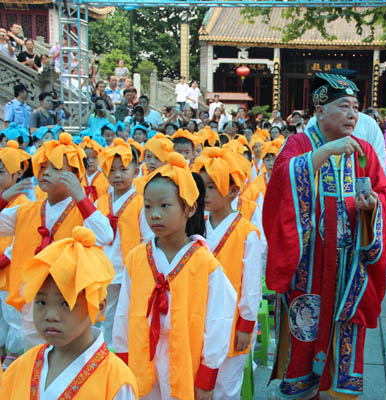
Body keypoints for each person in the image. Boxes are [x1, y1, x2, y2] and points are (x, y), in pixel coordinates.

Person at [263, 72, 386, 398]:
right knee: (304, 333)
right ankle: (301, 388)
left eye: (356, 108)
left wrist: (372, 208)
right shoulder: (299, 144)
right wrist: (326, 152)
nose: (352, 114)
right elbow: (280, 186)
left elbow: (385, 197)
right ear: (319, 110)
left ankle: (337, 389)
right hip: (308, 267)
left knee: (345, 334)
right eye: (344, 106)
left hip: (350, 269)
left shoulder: (364, 152)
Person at [112, 152, 237, 399]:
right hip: (142, 353)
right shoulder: (138, 258)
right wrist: (123, 359)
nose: (154, 214)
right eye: (148, 206)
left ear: (189, 209)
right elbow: (124, 311)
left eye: (164, 206)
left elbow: (218, 320)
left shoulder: (203, 261)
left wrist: (207, 374)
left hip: (186, 357)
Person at [0, 133, 114, 346]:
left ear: (75, 175)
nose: (46, 173)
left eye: (55, 168)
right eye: (42, 167)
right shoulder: (26, 211)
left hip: (68, 295)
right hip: (33, 293)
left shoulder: (83, 211)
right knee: (34, 347)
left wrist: (81, 197)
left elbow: (106, 235)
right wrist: (5, 197)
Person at [0, 226, 138, 399]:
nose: (50, 315)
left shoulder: (116, 380)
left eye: (66, 303)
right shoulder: (19, 368)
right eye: (41, 302)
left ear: (99, 305)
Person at [196, 147, 262, 400]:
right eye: (203, 187)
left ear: (233, 191)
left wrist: (246, 325)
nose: (205, 194)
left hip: (231, 319)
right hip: (200, 315)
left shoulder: (247, 232)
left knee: (226, 386)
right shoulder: (195, 223)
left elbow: (252, 286)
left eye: (213, 187)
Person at [96, 139, 152, 348]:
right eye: (111, 170)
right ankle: (104, 350)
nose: (117, 175)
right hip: (103, 267)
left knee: (123, 314)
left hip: (127, 269)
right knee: (103, 313)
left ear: (136, 171)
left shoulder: (140, 202)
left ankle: (120, 351)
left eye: (123, 169)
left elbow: (146, 238)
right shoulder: (101, 202)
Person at [0, 141, 31, 370]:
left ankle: (13, 355)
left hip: (10, 273)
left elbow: (17, 243)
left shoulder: (23, 204)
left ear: (17, 174)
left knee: (12, 317)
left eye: (1, 172)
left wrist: (3, 261)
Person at [80, 135, 110, 202]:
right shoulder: (79, 178)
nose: (90, 161)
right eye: (87, 158)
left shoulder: (106, 179)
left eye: (94, 157)